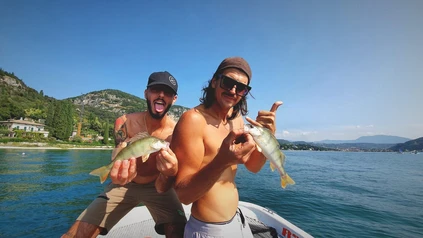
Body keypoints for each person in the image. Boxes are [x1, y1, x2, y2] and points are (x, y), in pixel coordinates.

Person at [62, 71, 187, 238]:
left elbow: (170, 180)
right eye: (156, 89)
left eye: (168, 92)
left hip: (158, 186)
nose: (161, 95)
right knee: (76, 234)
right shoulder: (124, 122)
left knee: (180, 231)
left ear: (174, 99)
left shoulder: (177, 132)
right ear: (146, 93)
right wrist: (116, 166)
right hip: (124, 184)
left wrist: (170, 173)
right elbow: (119, 150)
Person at [171, 57, 282, 238]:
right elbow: (183, 195)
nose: (233, 90)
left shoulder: (236, 120)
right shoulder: (193, 120)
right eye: (228, 82)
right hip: (209, 229)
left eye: (241, 88)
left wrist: (266, 137)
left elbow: (253, 166)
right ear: (214, 81)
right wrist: (221, 161)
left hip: (238, 221)